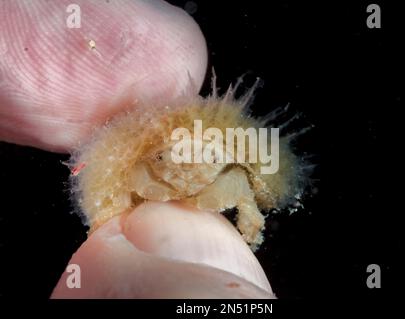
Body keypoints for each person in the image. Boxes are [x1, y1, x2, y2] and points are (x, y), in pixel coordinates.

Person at [0, 0, 274, 298]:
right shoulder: (140, 168)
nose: (187, 167)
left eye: (209, 157)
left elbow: (245, 187)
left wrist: (251, 214)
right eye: (165, 157)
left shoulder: (230, 174)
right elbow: (121, 179)